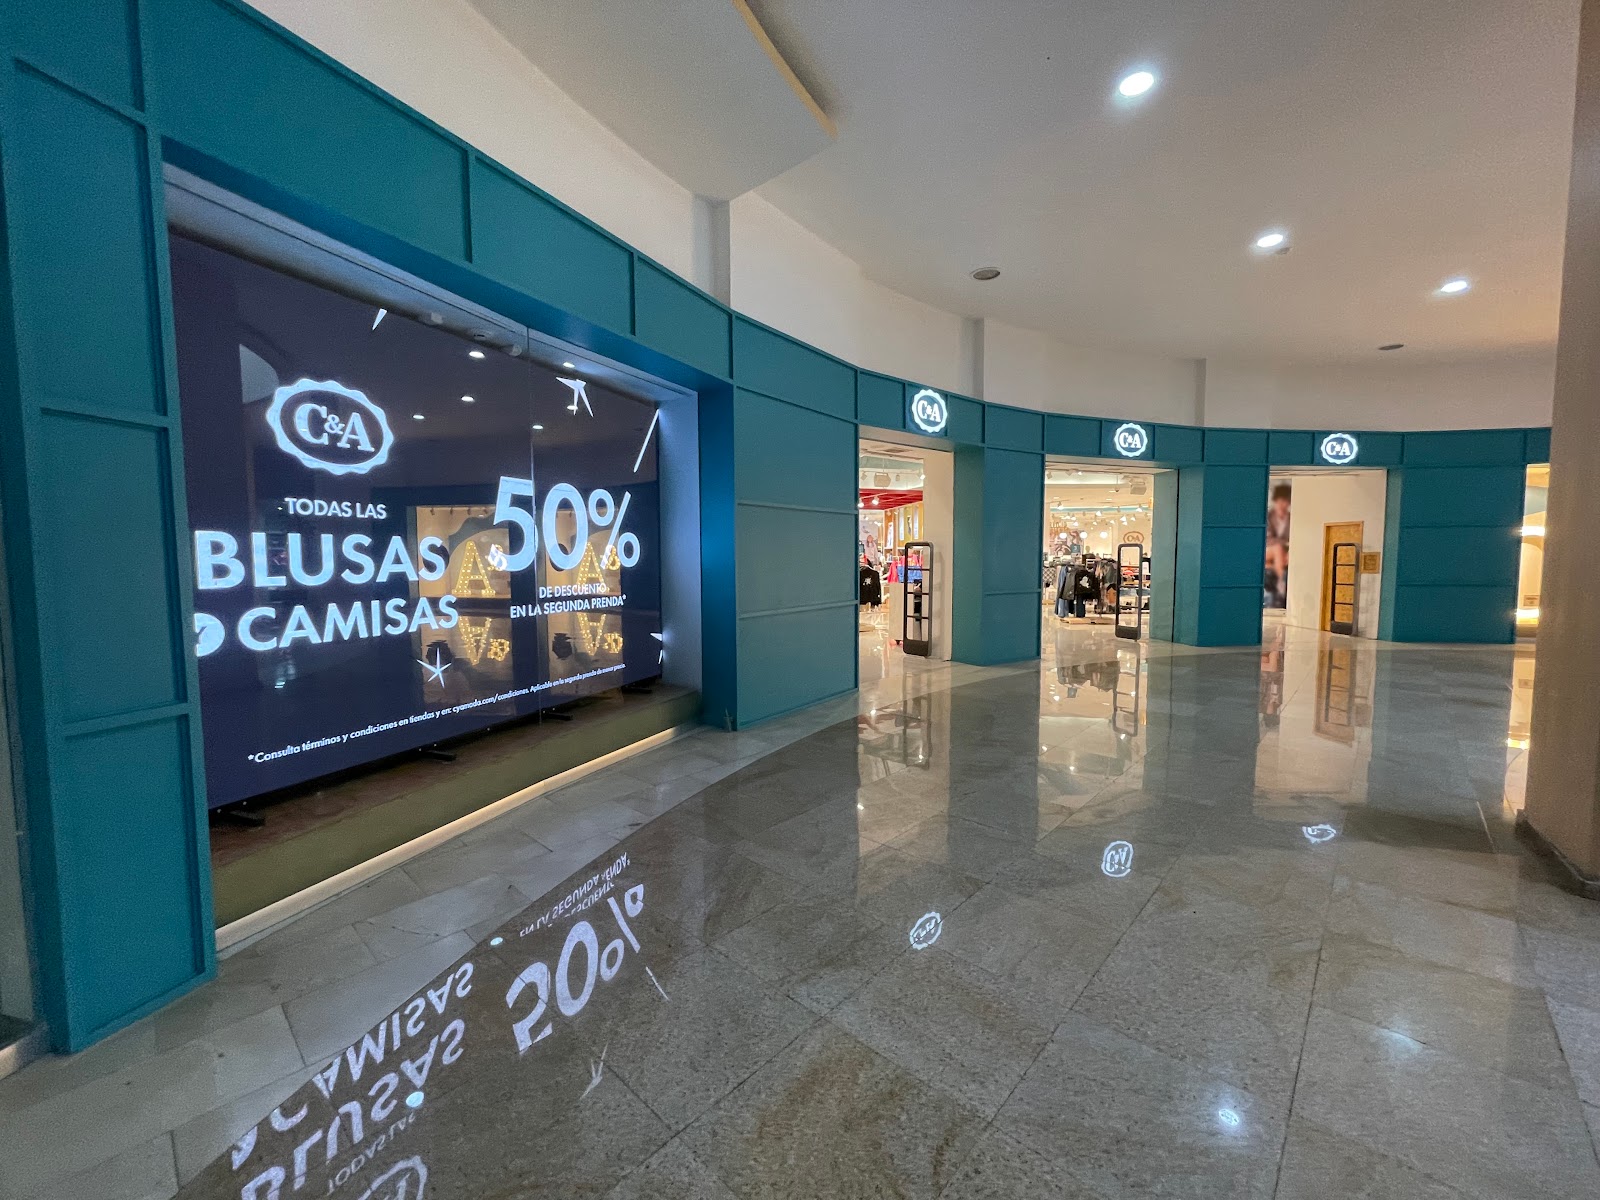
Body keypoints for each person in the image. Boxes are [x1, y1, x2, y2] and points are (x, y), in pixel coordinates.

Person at [1264, 483, 1291, 607]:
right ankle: (1281, 584)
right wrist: (1285, 543)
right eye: (1279, 501)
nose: (1282, 504)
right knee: (1278, 548)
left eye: (1285, 501)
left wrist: (1289, 550)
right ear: (1275, 501)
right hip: (1267, 550)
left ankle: (1278, 589)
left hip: (1282, 554)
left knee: (1283, 553)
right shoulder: (1268, 516)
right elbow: (1268, 539)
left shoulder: (1291, 518)